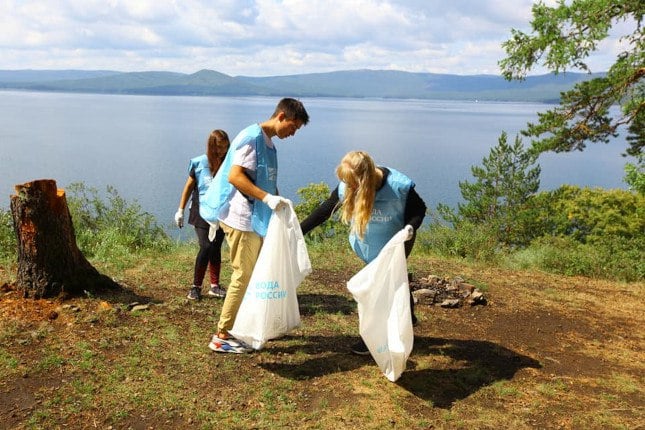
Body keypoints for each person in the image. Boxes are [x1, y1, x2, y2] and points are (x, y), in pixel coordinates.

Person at [203, 98, 310, 353]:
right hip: (241, 218)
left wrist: (277, 201)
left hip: (258, 219)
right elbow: (234, 176)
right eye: (293, 128)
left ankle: (244, 326)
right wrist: (267, 198)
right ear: (281, 116)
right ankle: (221, 335)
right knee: (243, 275)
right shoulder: (252, 137)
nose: (293, 134)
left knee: (254, 275)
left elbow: (266, 182)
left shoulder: (269, 143)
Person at [300, 150, 426, 355]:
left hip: (396, 243)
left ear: (365, 179)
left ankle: (370, 339)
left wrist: (410, 228)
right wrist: (298, 231)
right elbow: (325, 210)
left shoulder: (399, 186)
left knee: (376, 288)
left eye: (352, 183)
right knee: (394, 282)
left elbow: (419, 210)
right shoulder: (347, 185)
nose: (348, 187)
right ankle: (408, 319)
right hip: (369, 245)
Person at [174, 129, 230, 300]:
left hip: (220, 212)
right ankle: (195, 287)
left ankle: (214, 286)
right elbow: (189, 186)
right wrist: (181, 210)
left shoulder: (229, 163)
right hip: (200, 211)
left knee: (215, 248)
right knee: (205, 246)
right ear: (211, 146)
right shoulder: (199, 163)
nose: (222, 151)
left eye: (225, 147)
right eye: (219, 148)